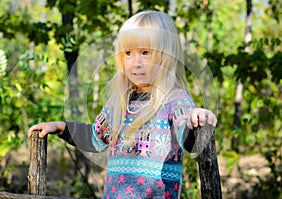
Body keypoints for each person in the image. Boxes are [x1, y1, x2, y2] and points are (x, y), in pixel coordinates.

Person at [28, 10, 217, 199]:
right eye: (128, 53)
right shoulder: (118, 101)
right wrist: (61, 127)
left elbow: (188, 139)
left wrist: (196, 119)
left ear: (165, 57)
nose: (136, 62)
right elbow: (96, 137)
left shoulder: (175, 100)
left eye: (145, 52)